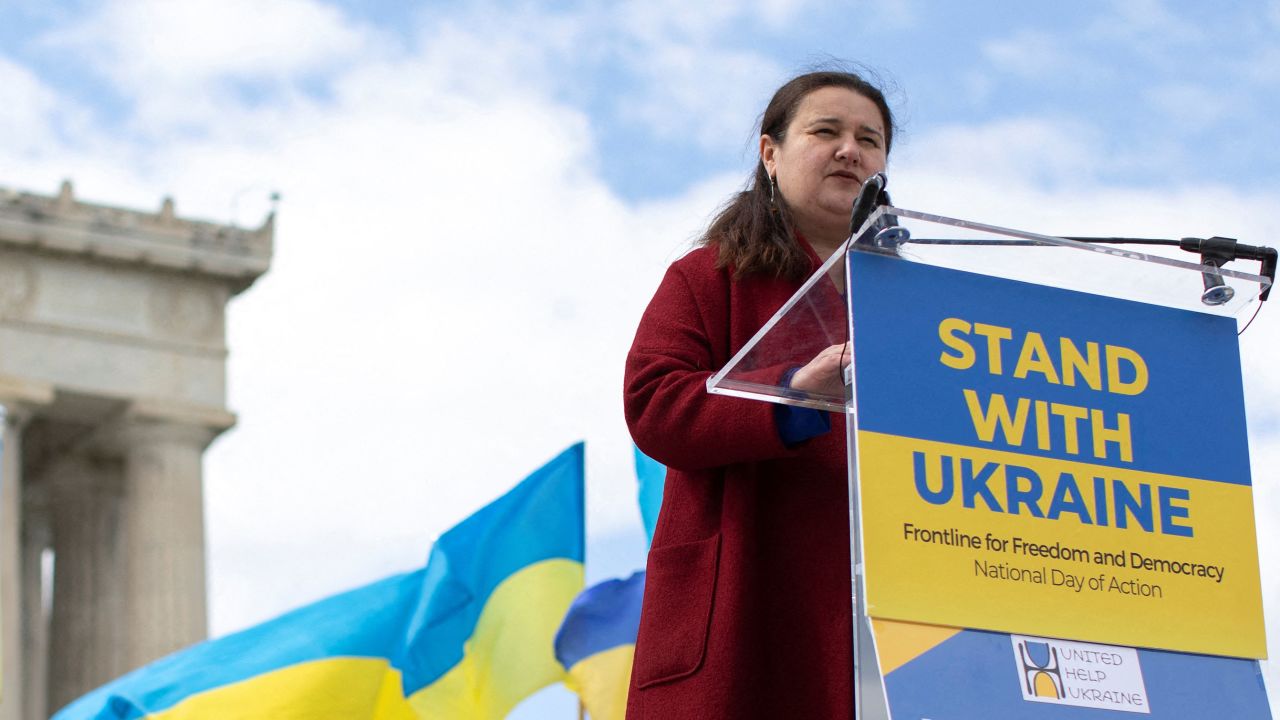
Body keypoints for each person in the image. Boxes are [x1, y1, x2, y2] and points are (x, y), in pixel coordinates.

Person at [623, 69, 895, 719]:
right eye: (825, 131)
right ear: (770, 154)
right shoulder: (708, 276)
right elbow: (655, 407)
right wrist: (794, 394)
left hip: (892, 624)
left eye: (870, 139)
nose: (850, 150)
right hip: (748, 609)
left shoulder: (913, 304)